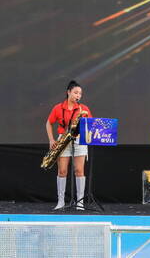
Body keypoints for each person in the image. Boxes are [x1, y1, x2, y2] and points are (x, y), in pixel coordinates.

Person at [45, 80, 92, 210]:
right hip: (63, 140)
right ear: (68, 92)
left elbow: (91, 127)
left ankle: (80, 202)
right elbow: (48, 123)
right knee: (62, 171)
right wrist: (51, 140)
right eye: (76, 92)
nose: (78, 96)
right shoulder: (58, 108)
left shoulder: (84, 109)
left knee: (79, 171)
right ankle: (60, 202)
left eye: (80, 94)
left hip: (79, 141)